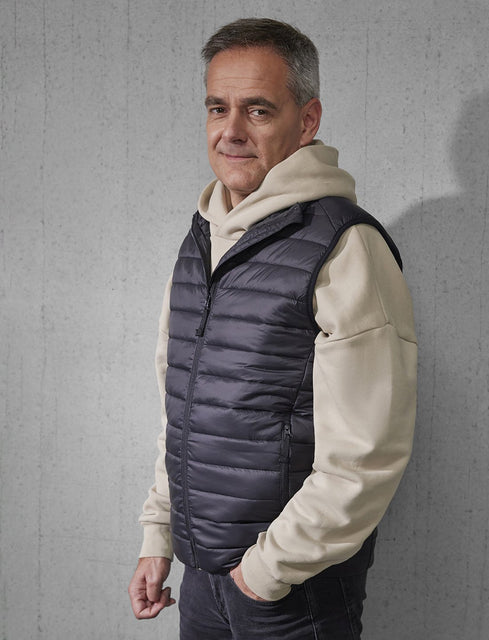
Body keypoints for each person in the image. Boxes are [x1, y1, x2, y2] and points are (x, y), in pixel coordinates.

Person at [128, 18, 417, 639]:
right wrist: (160, 535)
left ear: (307, 120)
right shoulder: (201, 240)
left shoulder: (345, 246)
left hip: (290, 593)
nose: (230, 130)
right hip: (202, 580)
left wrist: (265, 573)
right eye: (218, 108)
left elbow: (368, 452)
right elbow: (183, 411)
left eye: (257, 110)